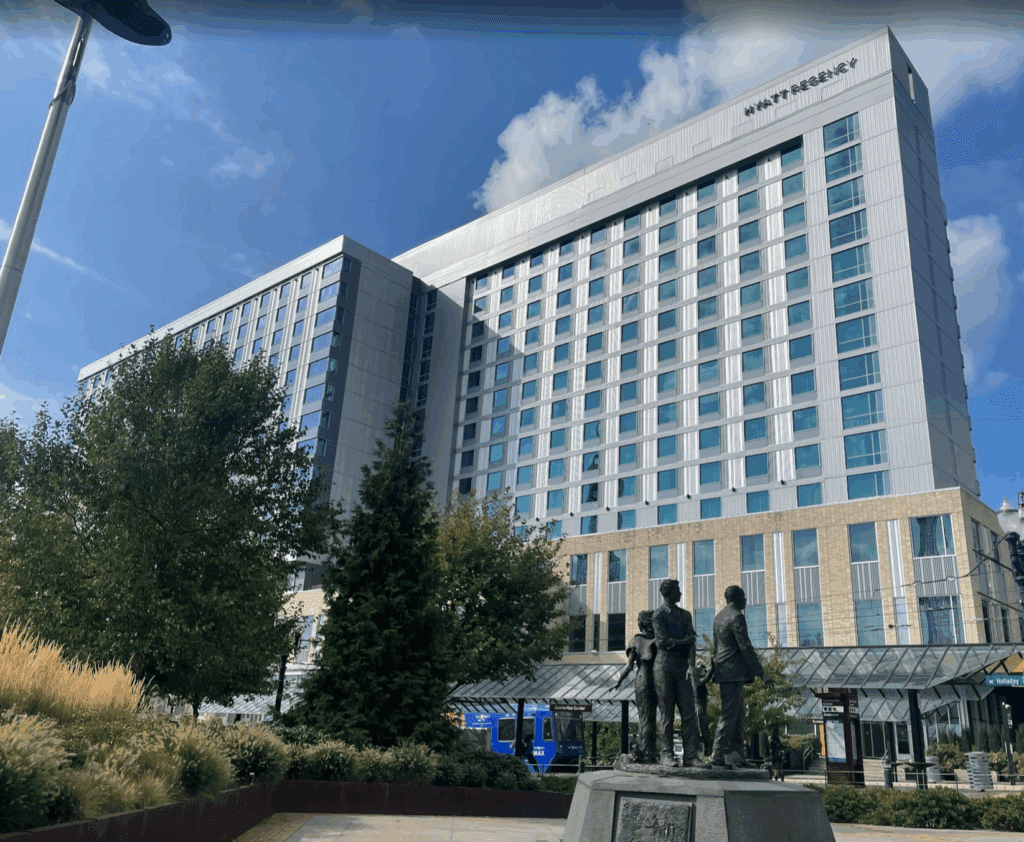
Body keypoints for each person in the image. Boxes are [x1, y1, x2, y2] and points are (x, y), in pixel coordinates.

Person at [709, 585, 774, 770]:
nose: (746, 600)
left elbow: (716, 648)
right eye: (744, 596)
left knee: (739, 716)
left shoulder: (718, 617)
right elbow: (745, 646)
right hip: (732, 672)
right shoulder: (737, 616)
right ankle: (717, 754)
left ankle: (737, 755)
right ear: (737, 598)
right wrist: (761, 672)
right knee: (729, 715)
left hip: (724, 671)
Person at [651, 579, 701, 768]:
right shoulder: (658, 615)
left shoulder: (685, 615)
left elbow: (692, 642)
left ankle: (691, 756)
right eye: (677, 590)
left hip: (682, 668)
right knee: (667, 714)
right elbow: (663, 642)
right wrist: (684, 641)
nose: (680, 593)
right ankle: (666, 754)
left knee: (689, 712)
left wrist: (692, 665)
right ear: (668, 593)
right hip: (664, 667)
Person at [614, 610, 658, 763]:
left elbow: (629, 666)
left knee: (644, 718)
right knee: (651, 717)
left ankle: (646, 752)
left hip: (642, 680)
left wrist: (619, 681)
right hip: (657, 680)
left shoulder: (636, 641)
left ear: (642, 624)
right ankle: (650, 751)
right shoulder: (657, 640)